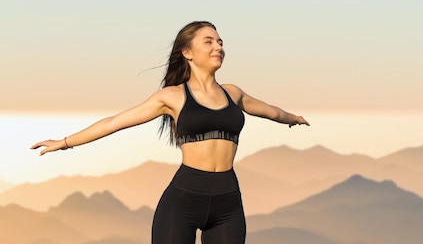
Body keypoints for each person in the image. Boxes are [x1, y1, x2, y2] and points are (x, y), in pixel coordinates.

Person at [30, 21, 310, 244]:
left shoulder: (233, 93)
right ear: (187, 53)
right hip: (182, 203)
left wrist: (293, 118)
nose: (219, 47)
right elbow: (113, 122)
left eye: (220, 42)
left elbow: (270, 110)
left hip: (228, 204)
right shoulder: (172, 97)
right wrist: (64, 142)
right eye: (209, 41)